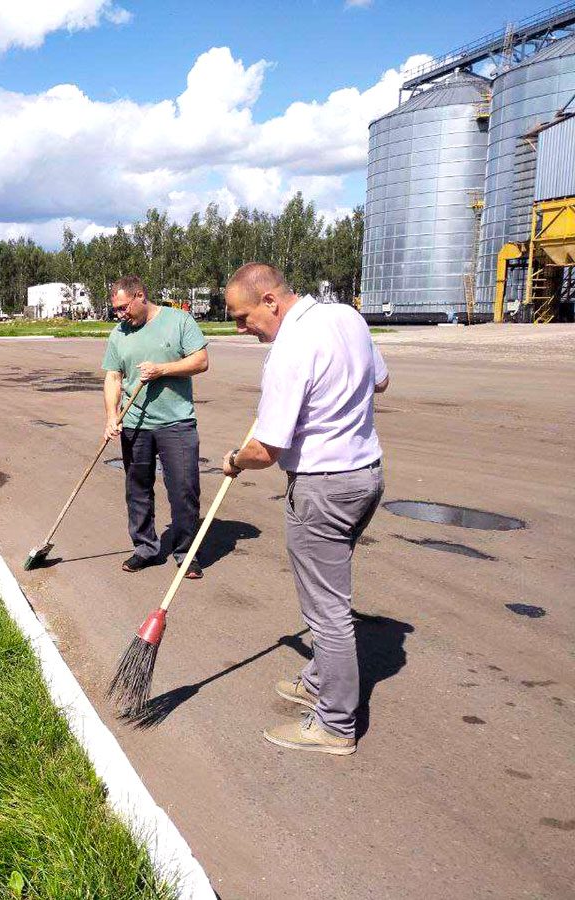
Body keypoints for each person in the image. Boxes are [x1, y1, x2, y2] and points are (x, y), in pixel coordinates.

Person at [221, 263, 388, 756]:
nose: (241, 328)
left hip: (323, 489)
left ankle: (335, 725)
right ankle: (318, 680)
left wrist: (234, 460)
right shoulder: (347, 317)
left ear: (271, 301)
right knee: (330, 594)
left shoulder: (289, 349)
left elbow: (265, 449)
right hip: (365, 477)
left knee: (327, 611)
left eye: (243, 316)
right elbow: (381, 381)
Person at [102, 276, 209, 575]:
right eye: (116, 310)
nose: (120, 315)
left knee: (184, 490)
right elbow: (113, 377)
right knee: (137, 489)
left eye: (123, 307)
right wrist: (111, 416)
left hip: (177, 422)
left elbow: (201, 361)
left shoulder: (179, 321)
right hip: (135, 424)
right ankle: (145, 548)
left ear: (140, 296)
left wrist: (163, 369)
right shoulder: (118, 334)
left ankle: (186, 552)